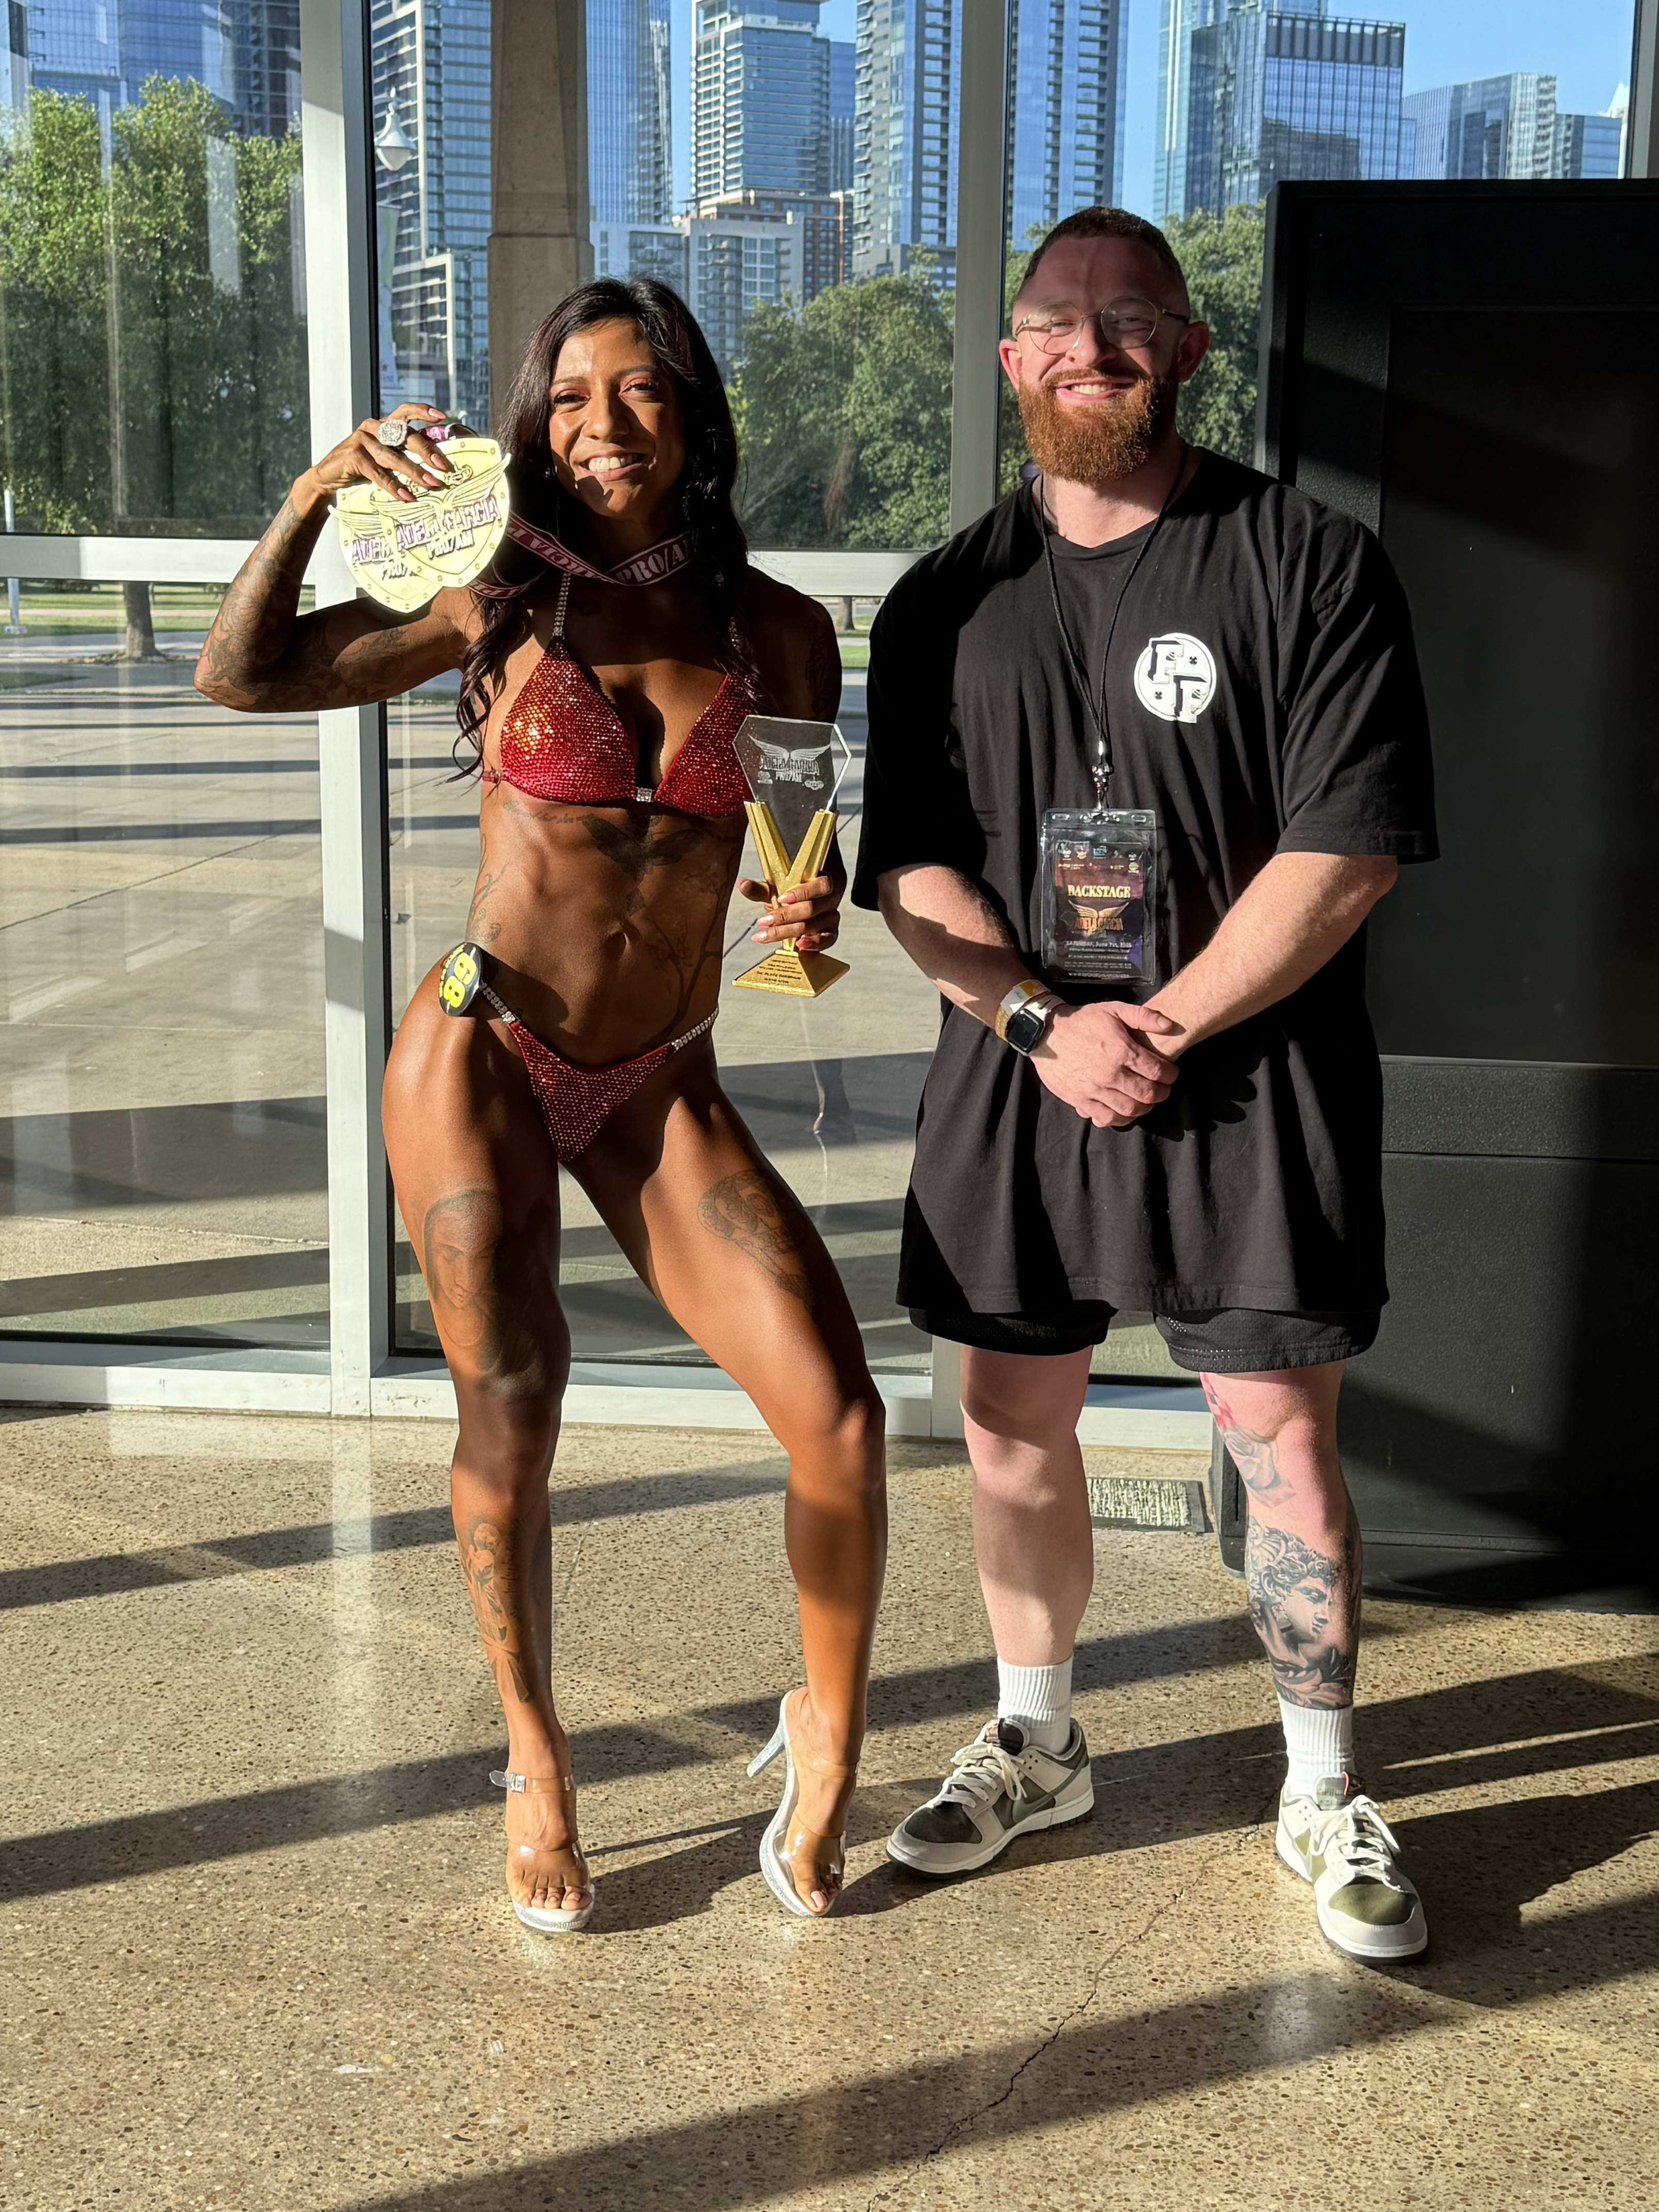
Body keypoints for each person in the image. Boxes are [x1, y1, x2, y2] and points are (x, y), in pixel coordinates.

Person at [196, 278, 885, 1929]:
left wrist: (810, 903)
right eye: (568, 397)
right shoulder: (493, 602)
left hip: (660, 1073)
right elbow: (245, 676)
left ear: (695, 413)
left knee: (838, 1415)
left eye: (636, 391)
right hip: (487, 1050)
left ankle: (828, 1733)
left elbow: (800, 847)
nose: (600, 424)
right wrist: (311, 499)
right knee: (513, 1403)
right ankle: (535, 1758)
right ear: (535, 421)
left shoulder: (780, 630)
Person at [853, 207, 1437, 1963]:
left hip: (1243, 1081)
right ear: (1011, 357)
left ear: (1187, 349)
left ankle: (1319, 1781)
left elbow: (1345, 853)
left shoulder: (1309, 562)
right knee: (1008, 1426)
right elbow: (914, 871)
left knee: (1275, 1441)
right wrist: (1045, 1025)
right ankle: (1039, 1735)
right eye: (1055, 320)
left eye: (1129, 319)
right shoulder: (939, 600)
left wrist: (1156, 1023)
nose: (1089, 346)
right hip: (1023, 1075)